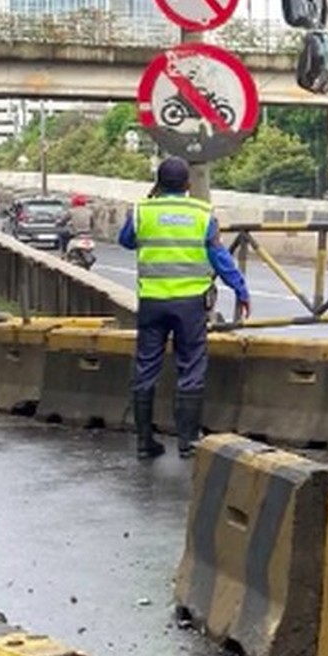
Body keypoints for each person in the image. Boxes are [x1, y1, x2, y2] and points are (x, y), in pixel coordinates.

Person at [118, 157, 250, 460]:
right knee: (190, 367)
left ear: (158, 182)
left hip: (152, 302)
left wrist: (152, 203)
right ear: (188, 185)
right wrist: (240, 290)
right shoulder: (202, 213)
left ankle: (144, 441)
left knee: (145, 368)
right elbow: (220, 258)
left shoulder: (142, 211)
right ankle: (188, 441)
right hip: (190, 305)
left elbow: (126, 241)